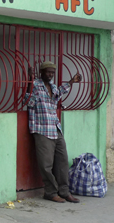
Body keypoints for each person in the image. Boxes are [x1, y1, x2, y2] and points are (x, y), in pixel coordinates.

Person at [26, 61, 81, 203]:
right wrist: (29, 82)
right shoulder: (36, 85)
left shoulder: (52, 86)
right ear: (42, 72)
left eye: (52, 72)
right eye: (48, 72)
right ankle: (50, 192)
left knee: (62, 162)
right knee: (46, 164)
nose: (50, 75)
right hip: (42, 129)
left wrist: (71, 82)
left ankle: (64, 191)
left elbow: (58, 94)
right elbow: (28, 102)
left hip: (56, 128)